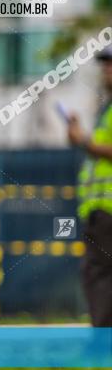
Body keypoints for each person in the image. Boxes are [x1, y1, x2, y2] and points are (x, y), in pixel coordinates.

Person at [66, 45, 112, 326]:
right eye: (105, 64)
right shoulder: (106, 109)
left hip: (108, 212)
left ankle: (103, 349)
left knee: (100, 275)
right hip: (101, 210)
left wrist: (84, 140)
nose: (106, 70)